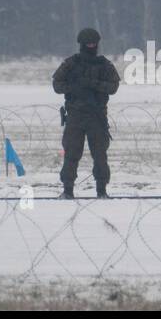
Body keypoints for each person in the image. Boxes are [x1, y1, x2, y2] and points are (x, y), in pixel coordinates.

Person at [53, 28, 120, 199]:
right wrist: (74, 87)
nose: (91, 46)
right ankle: (68, 190)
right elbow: (57, 85)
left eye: (93, 43)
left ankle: (101, 190)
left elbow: (113, 87)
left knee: (100, 155)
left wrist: (93, 84)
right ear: (82, 44)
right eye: (88, 43)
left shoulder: (104, 65)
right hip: (75, 115)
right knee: (71, 154)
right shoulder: (71, 64)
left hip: (96, 116)